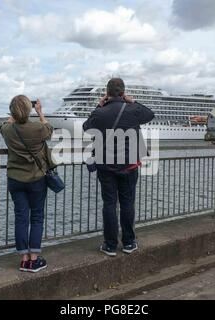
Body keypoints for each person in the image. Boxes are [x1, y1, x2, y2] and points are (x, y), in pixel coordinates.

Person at [83, 78, 155, 256]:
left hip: (106, 166)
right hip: (129, 165)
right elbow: (150, 114)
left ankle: (110, 245)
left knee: (109, 204)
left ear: (107, 93)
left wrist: (99, 106)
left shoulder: (101, 112)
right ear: (123, 92)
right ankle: (129, 243)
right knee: (127, 204)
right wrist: (133, 101)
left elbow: (86, 127)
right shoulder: (133, 109)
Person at [1, 95, 53, 272]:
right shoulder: (38, 128)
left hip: (15, 179)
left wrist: (15, 114)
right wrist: (40, 112)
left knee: (21, 217)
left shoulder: (7, 130)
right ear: (29, 109)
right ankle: (34, 259)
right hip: (36, 179)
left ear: (13, 111)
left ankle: (23, 259)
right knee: (37, 217)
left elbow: (7, 124)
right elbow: (49, 129)